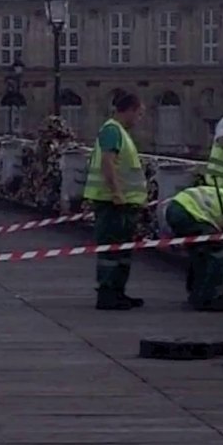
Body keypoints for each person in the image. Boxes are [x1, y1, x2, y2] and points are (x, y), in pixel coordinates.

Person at [82, 92, 147, 311]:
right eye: (139, 114)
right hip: (112, 202)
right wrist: (117, 193)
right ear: (129, 110)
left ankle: (118, 293)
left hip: (122, 202)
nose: (139, 119)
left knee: (121, 250)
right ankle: (108, 294)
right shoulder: (112, 131)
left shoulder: (119, 132)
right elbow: (107, 163)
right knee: (111, 250)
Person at [160, 183, 223, 311]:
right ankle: (209, 298)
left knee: (200, 253)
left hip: (177, 209)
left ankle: (196, 293)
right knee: (218, 253)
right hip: (189, 213)